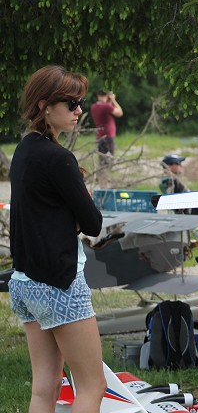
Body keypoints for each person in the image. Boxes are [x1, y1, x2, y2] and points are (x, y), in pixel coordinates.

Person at [8, 65, 105, 411]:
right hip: (58, 284)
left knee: (44, 388)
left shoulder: (23, 151)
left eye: (81, 102)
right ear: (45, 105)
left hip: (24, 283)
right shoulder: (59, 159)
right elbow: (93, 223)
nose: (79, 110)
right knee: (93, 385)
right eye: (71, 102)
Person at [90, 89, 123, 186]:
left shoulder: (94, 106)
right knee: (107, 163)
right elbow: (120, 113)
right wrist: (113, 100)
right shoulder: (106, 106)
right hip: (108, 138)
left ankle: (102, 184)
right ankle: (104, 185)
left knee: (102, 162)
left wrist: (109, 101)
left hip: (100, 137)